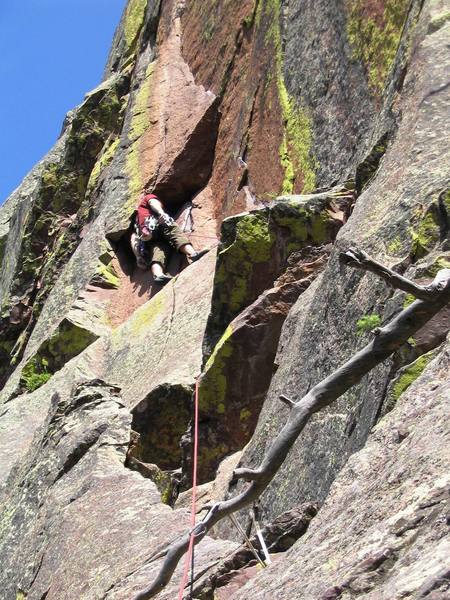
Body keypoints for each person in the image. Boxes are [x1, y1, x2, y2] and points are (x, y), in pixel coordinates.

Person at [131, 191, 208, 284]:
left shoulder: (136, 221)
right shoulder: (146, 198)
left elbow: (133, 237)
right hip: (156, 225)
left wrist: (138, 256)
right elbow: (153, 202)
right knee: (173, 231)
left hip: (147, 238)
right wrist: (161, 213)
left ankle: (158, 275)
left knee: (158, 249)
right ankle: (193, 253)